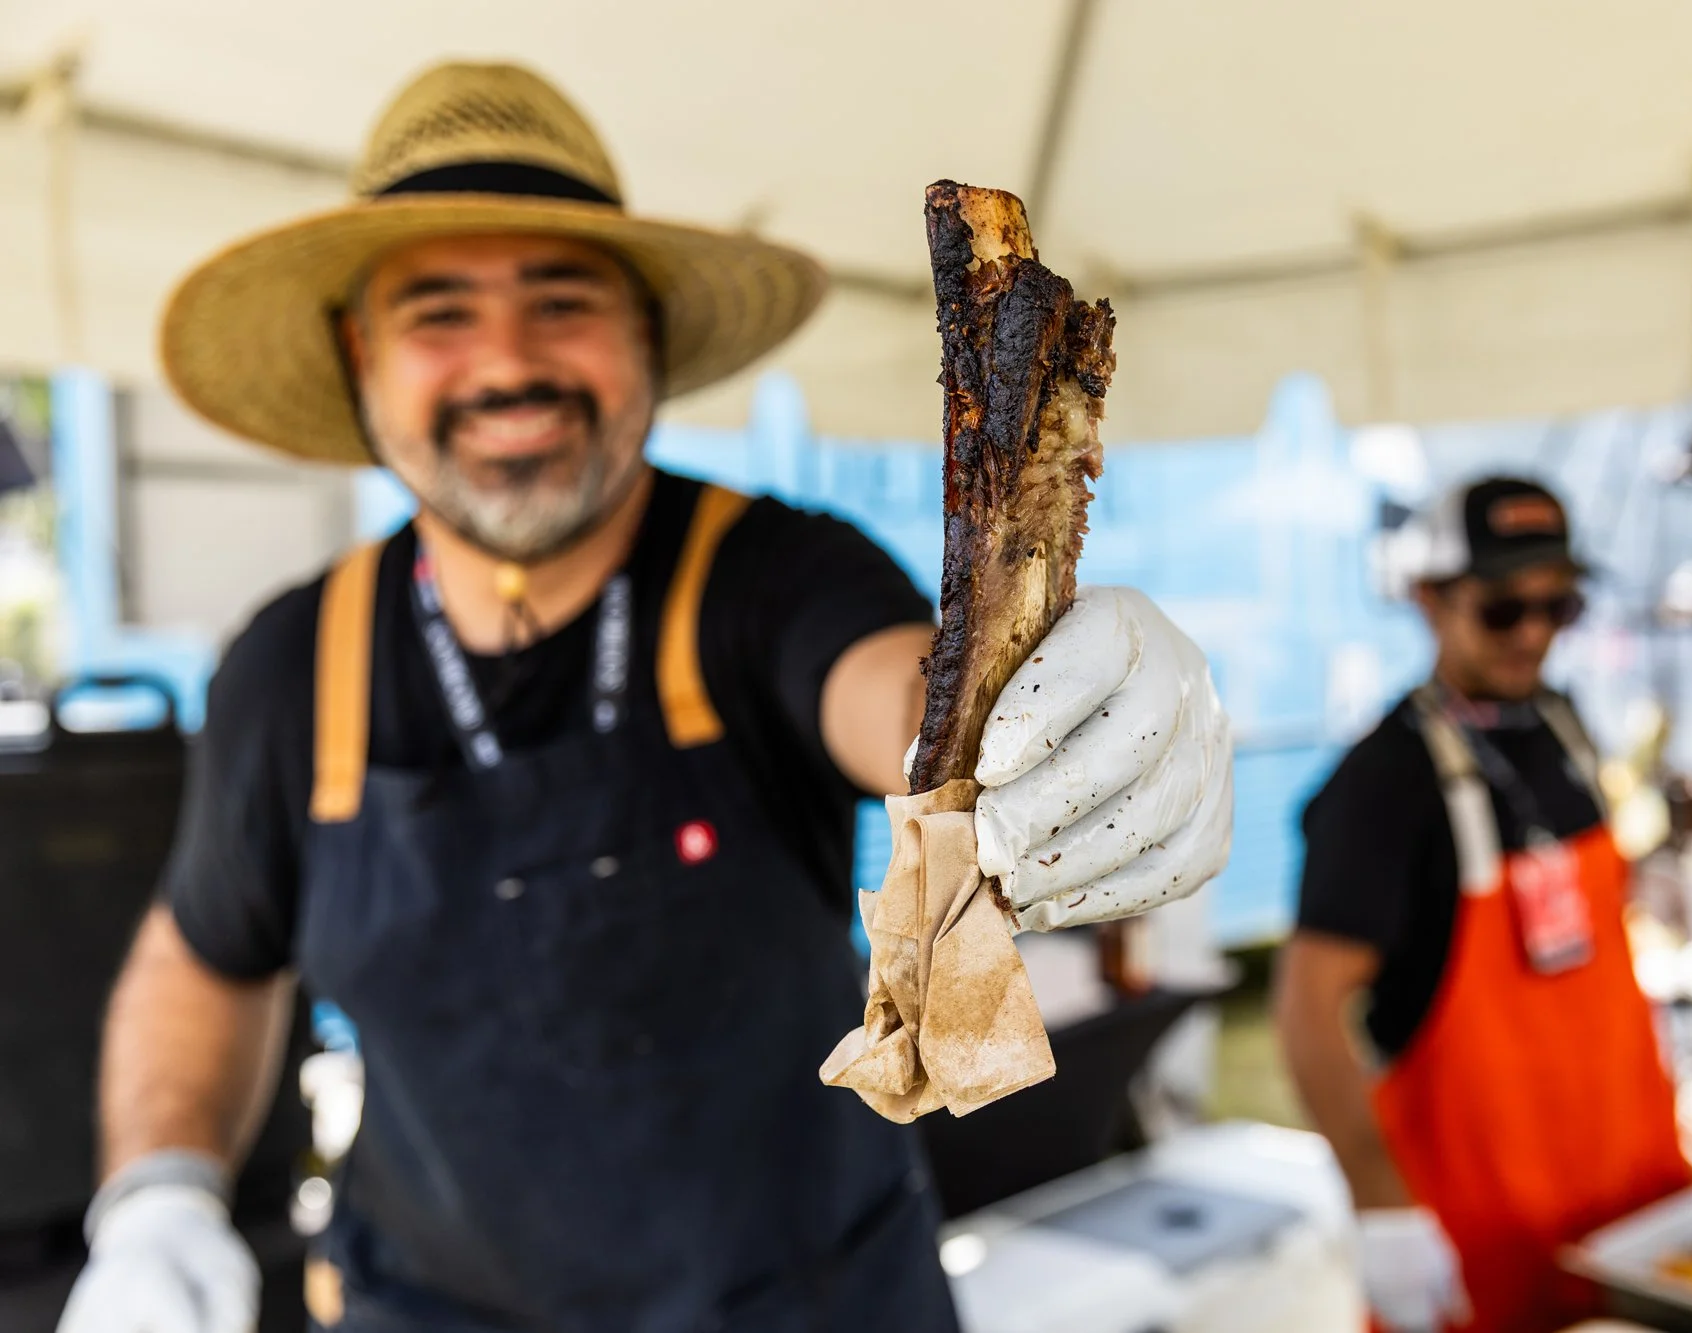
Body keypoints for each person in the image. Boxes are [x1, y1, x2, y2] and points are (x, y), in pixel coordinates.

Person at [58, 62, 1232, 1333]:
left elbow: (899, 701)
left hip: (810, 1300)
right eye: (438, 312)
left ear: (647, 340)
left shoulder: (776, 574)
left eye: (561, 301)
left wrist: (1051, 727)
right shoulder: (293, 665)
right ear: (361, 356)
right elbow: (204, 955)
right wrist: (159, 1198)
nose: (506, 363)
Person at [1275, 477, 1691, 1333]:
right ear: (1429, 599)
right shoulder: (1382, 782)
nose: (1535, 631)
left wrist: (1646, 882)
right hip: (1485, 1241)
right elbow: (1307, 1013)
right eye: (1504, 608)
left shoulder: (1563, 727)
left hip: (1630, 1202)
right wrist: (1381, 1205)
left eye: (1558, 604)